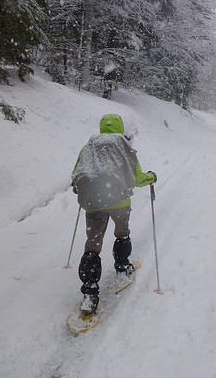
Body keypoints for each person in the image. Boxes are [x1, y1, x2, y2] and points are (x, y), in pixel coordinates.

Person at [71, 114, 156, 313]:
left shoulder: (89, 147)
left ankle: (90, 293)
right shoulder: (123, 146)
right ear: (119, 127)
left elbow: (76, 175)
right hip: (119, 201)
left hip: (93, 203)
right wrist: (151, 178)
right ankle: (122, 266)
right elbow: (136, 178)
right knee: (122, 232)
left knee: (92, 244)